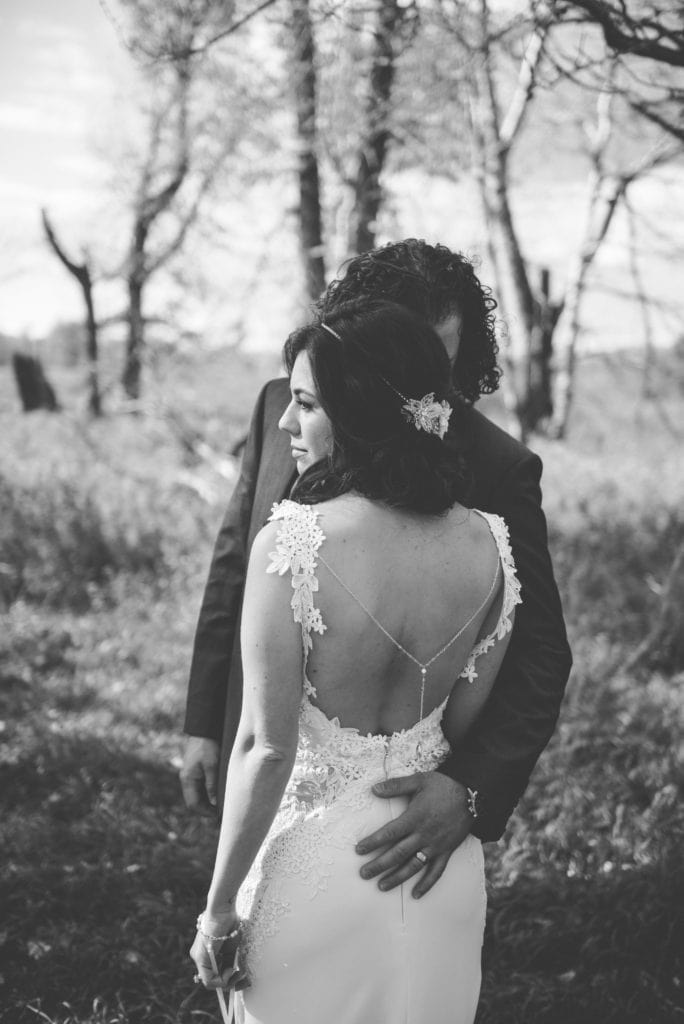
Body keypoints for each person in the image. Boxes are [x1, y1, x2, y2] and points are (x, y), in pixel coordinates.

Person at [182, 239, 572, 894]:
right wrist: (202, 720)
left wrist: (468, 790)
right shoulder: (282, 404)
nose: (414, 377)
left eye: (436, 357)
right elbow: (233, 564)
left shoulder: (497, 466)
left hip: (390, 812)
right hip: (257, 739)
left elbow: (540, 650)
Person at [190, 300, 523, 1022]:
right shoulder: (493, 546)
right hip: (438, 869)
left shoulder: (295, 543)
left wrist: (216, 913)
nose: (284, 423)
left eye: (306, 403)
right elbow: (463, 726)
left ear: (362, 411)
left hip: (314, 877)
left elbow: (266, 746)